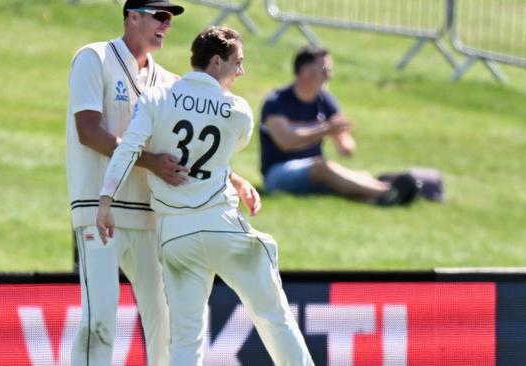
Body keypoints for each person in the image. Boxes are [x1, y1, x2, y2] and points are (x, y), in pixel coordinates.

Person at [96, 26, 314, 365]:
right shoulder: (238, 110)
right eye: (237, 62)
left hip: (176, 235)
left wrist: (106, 201)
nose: (241, 71)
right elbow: (217, 149)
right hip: (221, 225)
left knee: (186, 340)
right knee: (274, 317)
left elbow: (127, 150)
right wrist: (232, 179)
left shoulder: (156, 97)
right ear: (216, 62)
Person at [66, 1, 260, 365]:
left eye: (169, 19)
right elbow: (88, 131)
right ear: (132, 16)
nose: (166, 25)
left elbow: (181, 151)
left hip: (152, 214)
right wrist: (150, 162)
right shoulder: (94, 58)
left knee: (165, 323)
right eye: (160, 16)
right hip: (99, 209)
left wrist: (233, 179)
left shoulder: (170, 83)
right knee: (101, 321)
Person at [259, 46, 418, 206]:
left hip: (317, 168)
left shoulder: (325, 101)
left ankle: (382, 195)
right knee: (324, 167)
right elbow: (284, 141)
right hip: (277, 175)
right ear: (305, 70)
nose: (329, 75)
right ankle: (387, 192)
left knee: (357, 175)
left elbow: (347, 147)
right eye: (324, 69)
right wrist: (325, 130)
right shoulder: (277, 102)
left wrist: (344, 142)